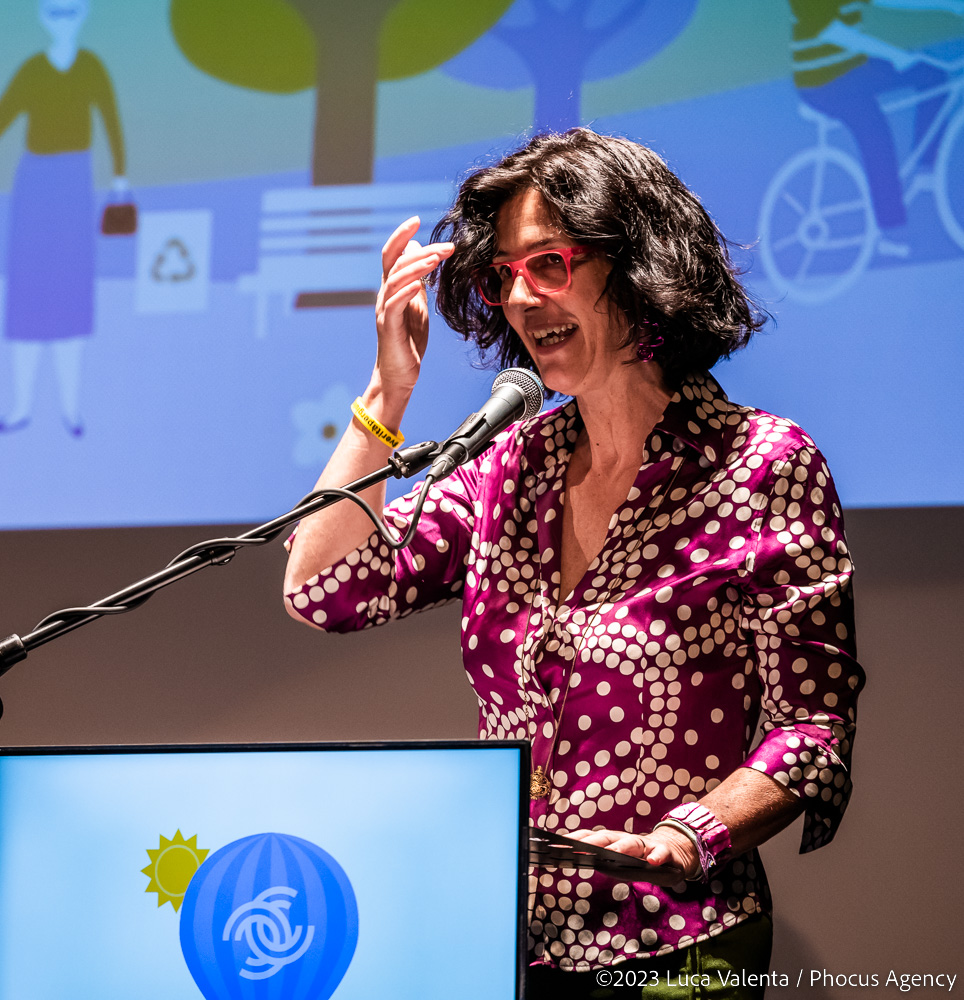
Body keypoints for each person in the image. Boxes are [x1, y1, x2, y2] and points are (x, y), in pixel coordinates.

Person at [283, 130, 864, 997]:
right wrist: (385, 394)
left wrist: (688, 837)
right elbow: (323, 588)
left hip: (677, 946)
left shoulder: (760, 467)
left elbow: (810, 730)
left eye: (549, 264)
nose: (521, 297)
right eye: (502, 275)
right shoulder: (509, 468)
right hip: (505, 943)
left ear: (638, 266)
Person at [0, 0, 128, 438]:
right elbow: (0, 116)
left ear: (84, 13)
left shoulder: (91, 67)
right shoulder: (33, 69)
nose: (63, 20)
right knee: (28, 296)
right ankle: (21, 407)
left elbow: (110, 118)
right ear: (41, 15)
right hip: (34, 186)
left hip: (75, 184)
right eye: (54, 12)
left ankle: (71, 409)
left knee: (71, 295)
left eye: (71, 11)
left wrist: (120, 176)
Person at [790, 0, 964, 242]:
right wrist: (896, 55)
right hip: (822, 82)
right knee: (875, 132)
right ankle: (890, 228)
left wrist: (949, 5)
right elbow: (831, 30)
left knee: (931, 75)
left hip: (853, 66)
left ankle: (926, 169)